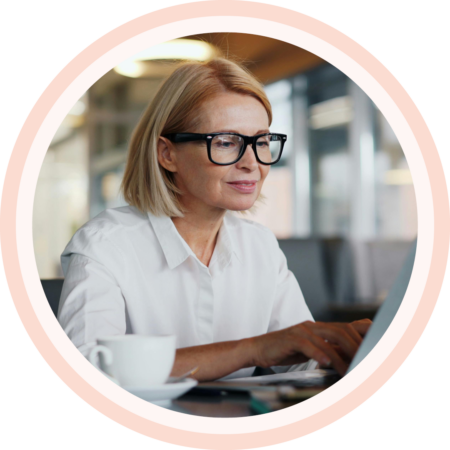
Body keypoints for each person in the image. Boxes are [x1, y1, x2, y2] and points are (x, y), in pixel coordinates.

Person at [58, 58, 371, 382]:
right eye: (225, 142)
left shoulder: (258, 244)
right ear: (167, 154)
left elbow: (300, 361)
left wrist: (343, 352)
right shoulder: (105, 246)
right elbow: (86, 372)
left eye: (261, 141)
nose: (252, 163)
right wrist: (251, 349)